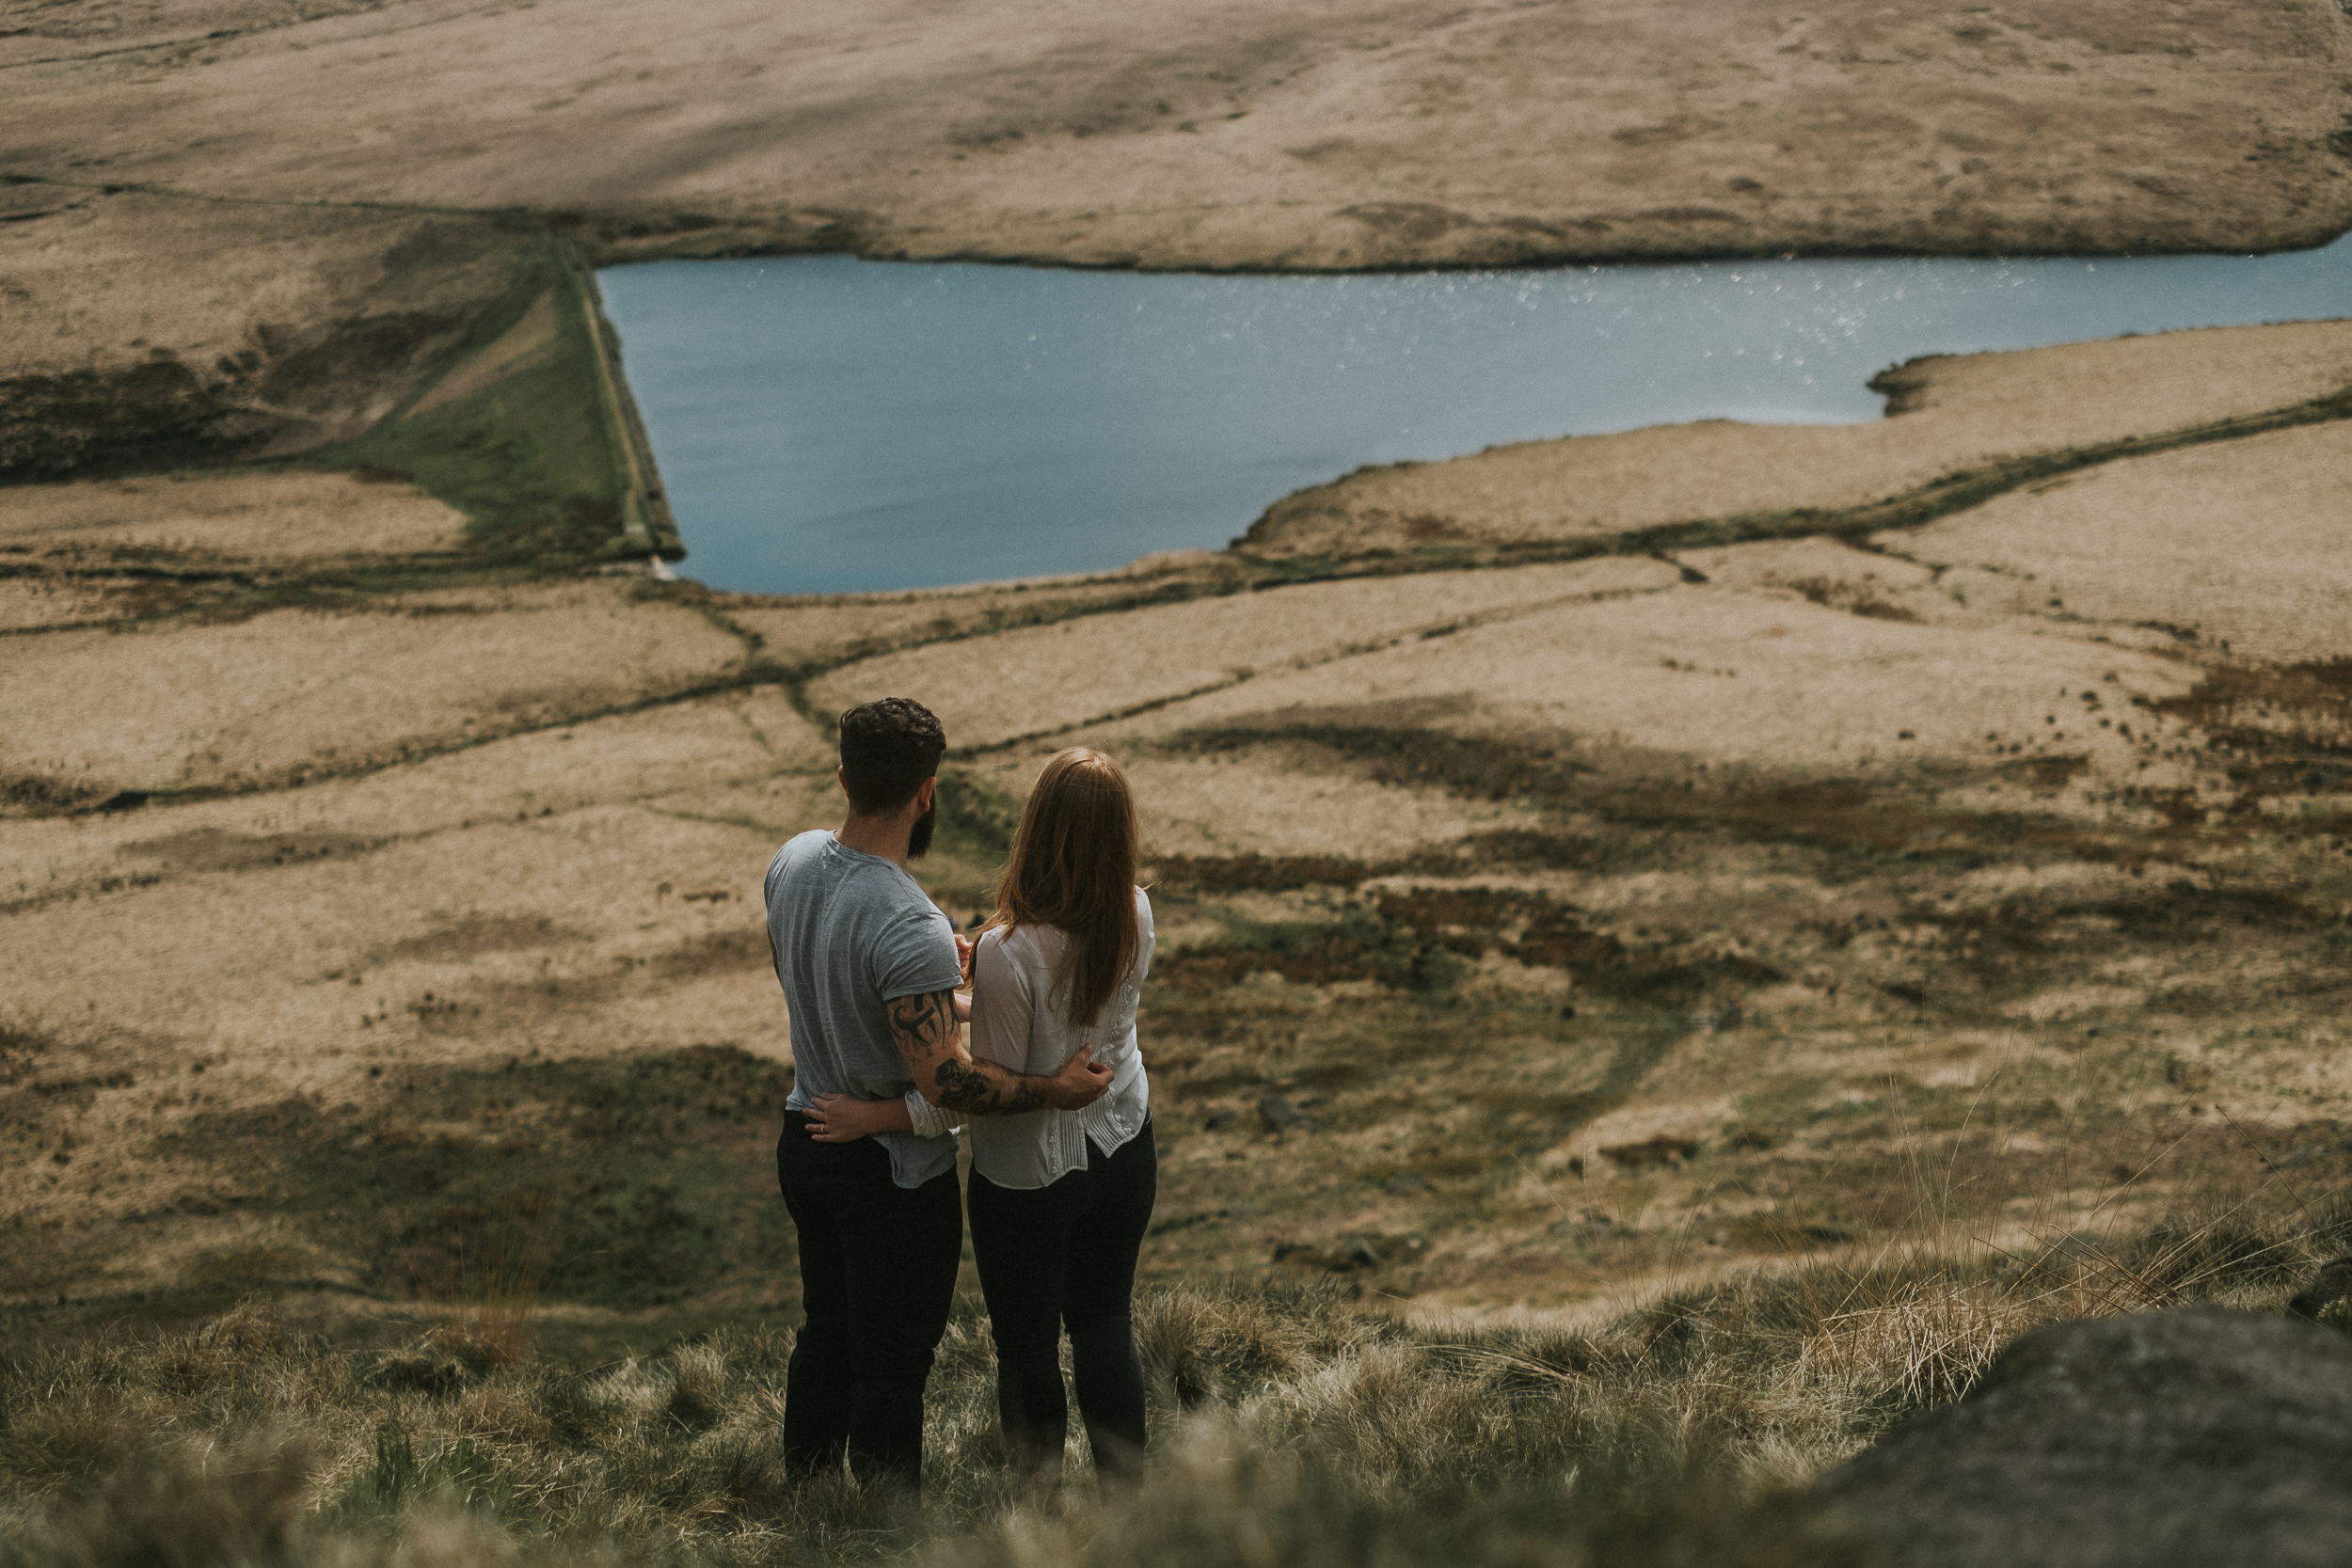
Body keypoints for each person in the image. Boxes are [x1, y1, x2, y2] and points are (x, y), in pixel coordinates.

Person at [766, 699, 1112, 1497]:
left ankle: (809, 1494)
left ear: (845, 775)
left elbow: (849, 995)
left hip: (807, 1136)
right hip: (890, 1177)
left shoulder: (791, 860)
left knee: (826, 1331)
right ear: (928, 791)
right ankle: (888, 1528)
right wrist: (1052, 1089)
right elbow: (948, 1081)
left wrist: (942, 988)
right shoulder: (906, 919)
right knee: (894, 1362)